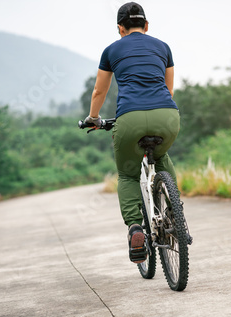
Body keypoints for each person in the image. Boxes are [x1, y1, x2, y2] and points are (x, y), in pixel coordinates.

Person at [85, 2, 180, 264]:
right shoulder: (163, 47)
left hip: (130, 120)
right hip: (167, 116)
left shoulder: (111, 50)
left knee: (127, 174)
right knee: (161, 157)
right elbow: (169, 89)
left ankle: (136, 229)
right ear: (146, 26)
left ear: (120, 29)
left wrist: (93, 118)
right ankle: (175, 213)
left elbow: (99, 92)